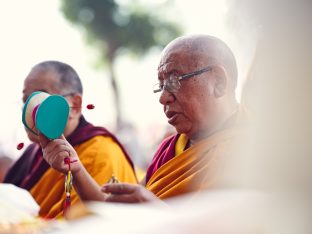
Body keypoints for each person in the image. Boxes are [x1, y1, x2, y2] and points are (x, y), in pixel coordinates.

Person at [39, 35, 245, 203]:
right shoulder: (171, 148)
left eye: (174, 80)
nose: (163, 97)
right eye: (161, 85)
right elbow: (121, 214)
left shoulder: (252, 150)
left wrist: (154, 213)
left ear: (218, 82)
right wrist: (75, 169)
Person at [3, 61, 137, 217]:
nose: (29, 110)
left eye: (40, 99)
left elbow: (96, 221)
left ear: (75, 104)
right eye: (26, 101)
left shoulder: (102, 152)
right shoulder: (32, 153)